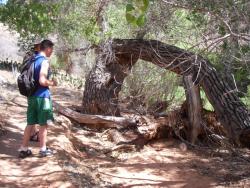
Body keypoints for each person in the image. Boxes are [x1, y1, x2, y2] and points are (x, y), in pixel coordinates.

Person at [19, 39, 57, 158]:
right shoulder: (44, 61)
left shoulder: (32, 59)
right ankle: (43, 149)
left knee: (30, 123)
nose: (51, 53)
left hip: (31, 96)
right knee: (43, 124)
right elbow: (42, 80)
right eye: (51, 50)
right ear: (48, 49)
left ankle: (24, 149)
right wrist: (52, 83)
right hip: (42, 97)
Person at [22, 42, 41, 142]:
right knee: (35, 111)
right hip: (35, 87)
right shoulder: (38, 57)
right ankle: (33, 133)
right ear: (38, 47)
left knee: (31, 109)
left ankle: (33, 132)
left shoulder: (29, 56)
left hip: (27, 85)